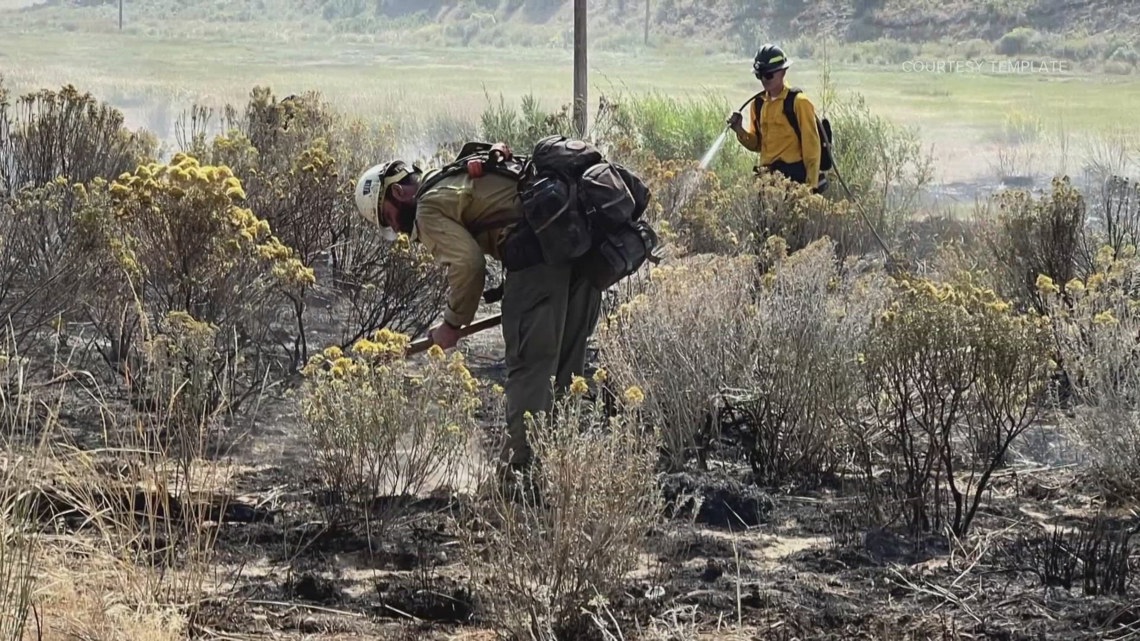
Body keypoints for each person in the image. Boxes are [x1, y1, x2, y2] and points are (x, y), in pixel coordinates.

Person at [352, 153, 603, 478]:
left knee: (532, 367)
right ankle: (561, 469)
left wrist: (452, 323)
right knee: (567, 367)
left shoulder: (427, 208)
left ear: (397, 194)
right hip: (580, 248)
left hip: (540, 257)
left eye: (387, 219)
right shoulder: (453, 177)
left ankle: (520, 479)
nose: (397, 231)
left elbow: (468, 266)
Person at [727, 43, 827, 193]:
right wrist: (740, 130)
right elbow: (757, 144)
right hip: (766, 180)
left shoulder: (799, 103)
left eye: (769, 75)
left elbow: (812, 148)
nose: (764, 80)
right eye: (759, 75)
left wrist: (810, 188)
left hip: (794, 180)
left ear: (783, 72)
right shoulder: (759, 104)